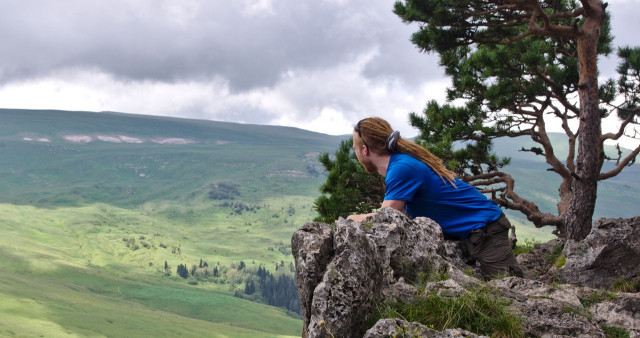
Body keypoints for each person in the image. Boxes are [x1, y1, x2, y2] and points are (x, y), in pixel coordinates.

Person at [347, 117, 523, 279]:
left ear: (364, 150)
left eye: (355, 148)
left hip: (485, 228)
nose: (356, 153)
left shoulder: (402, 168)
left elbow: (385, 218)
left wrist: (350, 219)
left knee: (510, 288)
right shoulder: (400, 164)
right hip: (467, 234)